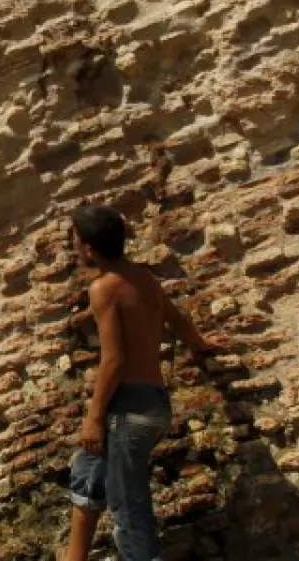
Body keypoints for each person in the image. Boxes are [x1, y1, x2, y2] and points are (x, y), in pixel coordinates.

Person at [61, 205, 216, 561]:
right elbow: (175, 319)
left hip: (126, 411)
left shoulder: (104, 288)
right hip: (154, 405)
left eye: (76, 243)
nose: (75, 249)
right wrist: (201, 344)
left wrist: (94, 417)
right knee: (88, 474)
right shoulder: (145, 279)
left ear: (89, 249)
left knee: (129, 511)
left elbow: (113, 360)